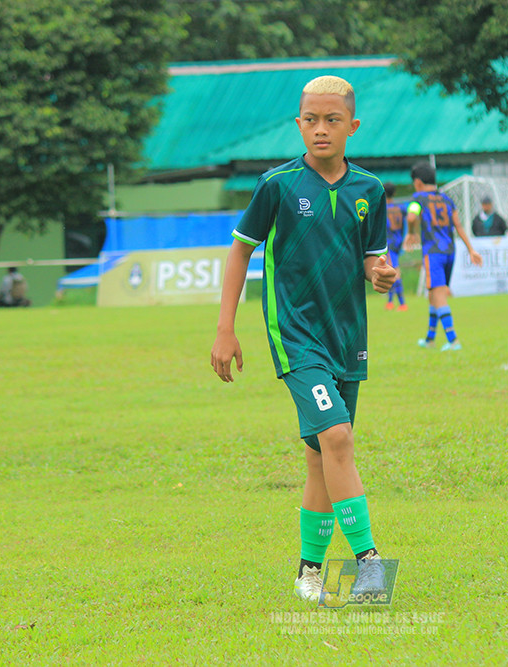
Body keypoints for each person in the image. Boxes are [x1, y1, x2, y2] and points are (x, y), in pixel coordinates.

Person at [210, 75, 398, 604]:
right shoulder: (278, 185)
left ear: (352, 126)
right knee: (338, 437)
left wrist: (380, 274)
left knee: (321, 454)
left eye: (331, 120)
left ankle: (309, 571)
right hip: (295, 336)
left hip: (347, 337)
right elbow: (241, 251)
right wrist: (226, 329)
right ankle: (370, 564)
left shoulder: (370, 190)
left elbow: (370, 260)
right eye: (310, 120)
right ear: (298, 124)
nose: (320, 129)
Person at [404, 162, 482, 351]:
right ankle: (430, 339)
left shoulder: (418, 198)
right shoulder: (447, 199)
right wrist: (471, 249)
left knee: (438, 296)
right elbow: (459, 225)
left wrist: (412, 232)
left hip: (434, 254)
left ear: (418, 183)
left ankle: (453, 339)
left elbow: (412, 216)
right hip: (449, 252)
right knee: (433, 294)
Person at [383, 181, 407, 310]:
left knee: (394, 272)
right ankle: (391, 301)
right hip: (398, 242)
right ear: (395, 193)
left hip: (388, 243)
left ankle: (402, 303)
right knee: (393, 270)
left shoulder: (382, 209)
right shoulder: (401, 208)